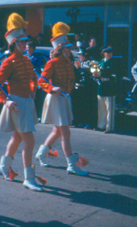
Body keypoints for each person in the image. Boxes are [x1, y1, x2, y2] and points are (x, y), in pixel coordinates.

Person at [0, 13, 43, 192]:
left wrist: (33, 88)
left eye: (25, 42)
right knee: (29, 140)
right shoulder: (9, 62)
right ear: (14, 43)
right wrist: (4, 100)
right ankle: (29, 177)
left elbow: (32, 78)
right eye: (21, 42)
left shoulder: (26, 60)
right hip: (16, 103)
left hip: (26, 102)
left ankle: (4, 166)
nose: (25, 45)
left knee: (17, 137)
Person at [35, 22, 89, 176]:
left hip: (65, 98)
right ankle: (71, 164)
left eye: (69, 47)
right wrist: (52, 88)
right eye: (67, 47)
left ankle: (41, 153)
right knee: (65, 132)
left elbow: (71, 80)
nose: (70, 49)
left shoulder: (69, 62)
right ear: (60, 48)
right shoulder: (52, 63)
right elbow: (41, 81)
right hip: (56, 98)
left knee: (57, 131)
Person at [72, 49, 97, 129]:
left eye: (80, 55)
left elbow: (95, 73)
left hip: (89, 88)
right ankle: (81, 121)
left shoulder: (92, 62)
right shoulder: (79, 63)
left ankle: (90, 122)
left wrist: (82, 68)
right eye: (78, 55)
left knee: (89, 106)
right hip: (81, 87)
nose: (79, 56)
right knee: (81, 106)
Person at [95, 46, 117, 133]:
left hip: (109, 87)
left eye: (110, 52)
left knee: (109, 109)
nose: (109, 54)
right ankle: (101, 125)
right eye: (107, 52)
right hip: (101, 87)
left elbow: (115, 75)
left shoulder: (113, 63)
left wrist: (108, 78)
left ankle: (110, 127)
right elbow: (96, 72)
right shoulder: (100, 62)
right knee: (101, 108)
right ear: (104, 53)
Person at [25, 41, 45, 118]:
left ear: (33, 48)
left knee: (36, 97)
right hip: (26, 80)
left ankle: (36, 114)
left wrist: (33, 69)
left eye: (29, 48)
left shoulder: (37, 57)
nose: (27, 50)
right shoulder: (25, 56)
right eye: (26, 48)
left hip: (34, 79)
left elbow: (40, 67)